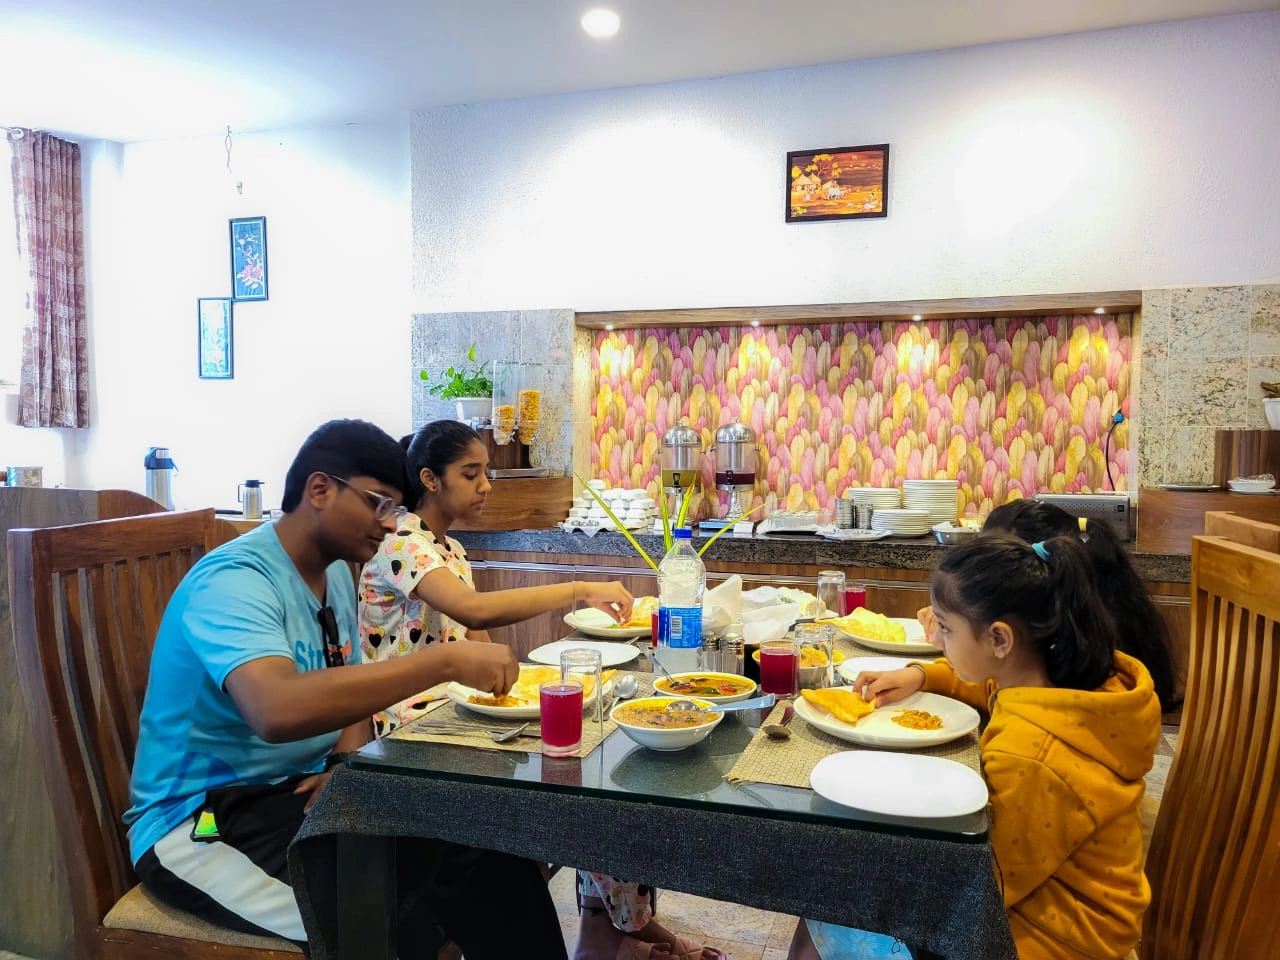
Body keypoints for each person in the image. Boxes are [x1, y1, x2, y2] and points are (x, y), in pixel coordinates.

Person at [124, 419, 568, 959]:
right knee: (381, 920)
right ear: (319, 489)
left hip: (297, 794)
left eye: (395, 508)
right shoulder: (236, 579)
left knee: (484, 847)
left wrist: (344, 763)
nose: (389, 523)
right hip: (203, 821)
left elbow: (350, 688)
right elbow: (274, 709)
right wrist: (442, 661)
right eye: (378, 503)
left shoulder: (335, 571)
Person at [359, 419, 724, 960]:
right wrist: (578, 588)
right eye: (471, 474)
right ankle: (614, 928)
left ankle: (621, 923)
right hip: (412, 725)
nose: (486, 486)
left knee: (598, 765)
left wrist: (527, 689)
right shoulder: (403, 542)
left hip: (461, 716)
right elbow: (472, 611)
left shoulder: (449, 549)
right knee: (576, 784)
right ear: (430, 479)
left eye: (487, 472)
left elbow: (481, 649)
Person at [792, 534, 1161, 960]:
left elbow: (982, 888)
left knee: (829, 906)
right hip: (1063, 908)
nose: (939, 641)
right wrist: (921, 676)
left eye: (947, 629)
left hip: (1050, 936)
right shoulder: (1063, 686)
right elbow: (984, 683)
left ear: (1000, 640)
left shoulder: (1032, 757)